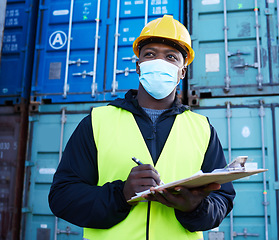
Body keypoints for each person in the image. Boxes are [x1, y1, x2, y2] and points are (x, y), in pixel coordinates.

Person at [49, 15, 235, 240]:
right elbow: (62, 197)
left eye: (171, 57)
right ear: (138, 67)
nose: (159, 61)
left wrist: (194, 207)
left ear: (182, 72)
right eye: (150, 54)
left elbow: (222, 200)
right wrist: (121, 194)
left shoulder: (202, 129)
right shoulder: (97, 122)